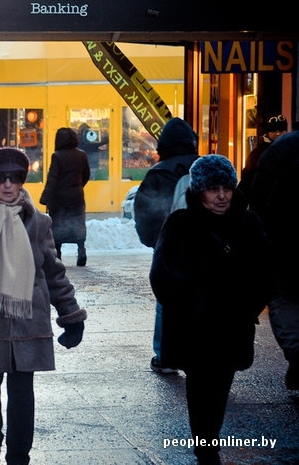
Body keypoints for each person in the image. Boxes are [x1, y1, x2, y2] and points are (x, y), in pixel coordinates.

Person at [0, 148, 86, 465]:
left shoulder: (38, 223)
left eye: (15, 178)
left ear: (22, 181)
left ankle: (19, 457)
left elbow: (53, 271)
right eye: (0, 178)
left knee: (23, 397)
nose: (8, 185)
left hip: (27, 321)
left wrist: (71, 315)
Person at [150, 154, 275, 464]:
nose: (221, 196)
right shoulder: (180, 224)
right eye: (213, 189)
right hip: (193, 326)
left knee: (219, 387)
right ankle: (206, 448)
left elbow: (266, 271)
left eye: (227, 188)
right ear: (199, 190)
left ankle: (208, 443)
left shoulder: (248, 222)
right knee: (200, 387)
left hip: (233, 324)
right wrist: (188, 304)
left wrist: (248, 305)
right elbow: (161, 275)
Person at [133, 117, 199, 375]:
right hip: (206, 246)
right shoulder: (201, 167)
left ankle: (165, 355)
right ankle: (200, 349)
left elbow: (145, 211)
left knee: (166, 298)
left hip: (170, 246)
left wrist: (154, 242)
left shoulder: (158, 172)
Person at [249, 125, 299, 390]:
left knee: (286, 305)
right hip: (282, 249)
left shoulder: (279, 150)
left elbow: (257, 200)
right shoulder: (281, 151)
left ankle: (298, 360)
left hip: (282, 249)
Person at [39, 127, 91, 266]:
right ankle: (81, 250)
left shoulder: (57, 156)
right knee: (78, 222)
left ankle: (58, 255)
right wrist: (78, 187)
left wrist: (45, 197)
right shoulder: (82, 155)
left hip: (59, 199)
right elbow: (86, 175)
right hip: (77, 198)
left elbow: (52, 178)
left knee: (58, 225)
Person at [237, 113, 287, 199]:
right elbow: (247, 180)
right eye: (274, 131)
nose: (278, 134)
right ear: (267, 132)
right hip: (263, 200)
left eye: (281, 130)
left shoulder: (291, 148)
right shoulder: (257, 153)